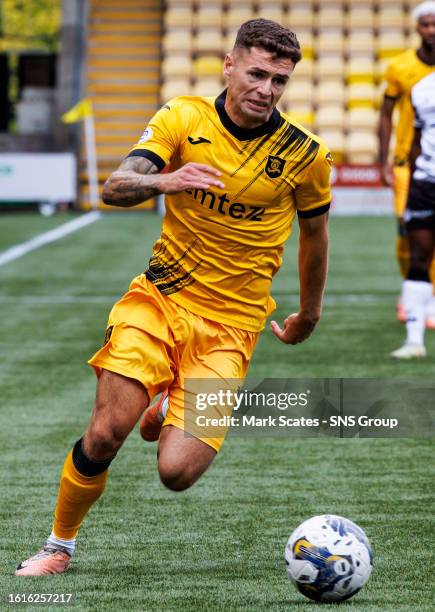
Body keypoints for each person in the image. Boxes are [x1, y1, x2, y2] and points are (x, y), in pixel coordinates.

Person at [15, 18, 331, 576]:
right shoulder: (183, 116)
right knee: (108, 431)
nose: (266, 89)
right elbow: (115, 187)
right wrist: (166, 181)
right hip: (158, 301)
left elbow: (314, 236)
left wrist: (309, 311)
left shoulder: (304, 155)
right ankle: (58, 546)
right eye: (257, 73)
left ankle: (165, 405)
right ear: (229, 66)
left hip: (232, 327)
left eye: (279, 81)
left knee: (177, 473)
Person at [378, 1, 435, 327]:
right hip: (407, 164)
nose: (431, 30)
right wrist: (382, 158)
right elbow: (385, 114)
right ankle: (411, 294)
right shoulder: (400, 67)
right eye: (425, 24)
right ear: (417, 28)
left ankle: (430, 300)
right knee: (408, 232)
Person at [391, 66, 435, 358]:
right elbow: (418, 141)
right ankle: (414, 341)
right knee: (418, 258)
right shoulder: (421, 88)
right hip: (425, 183)